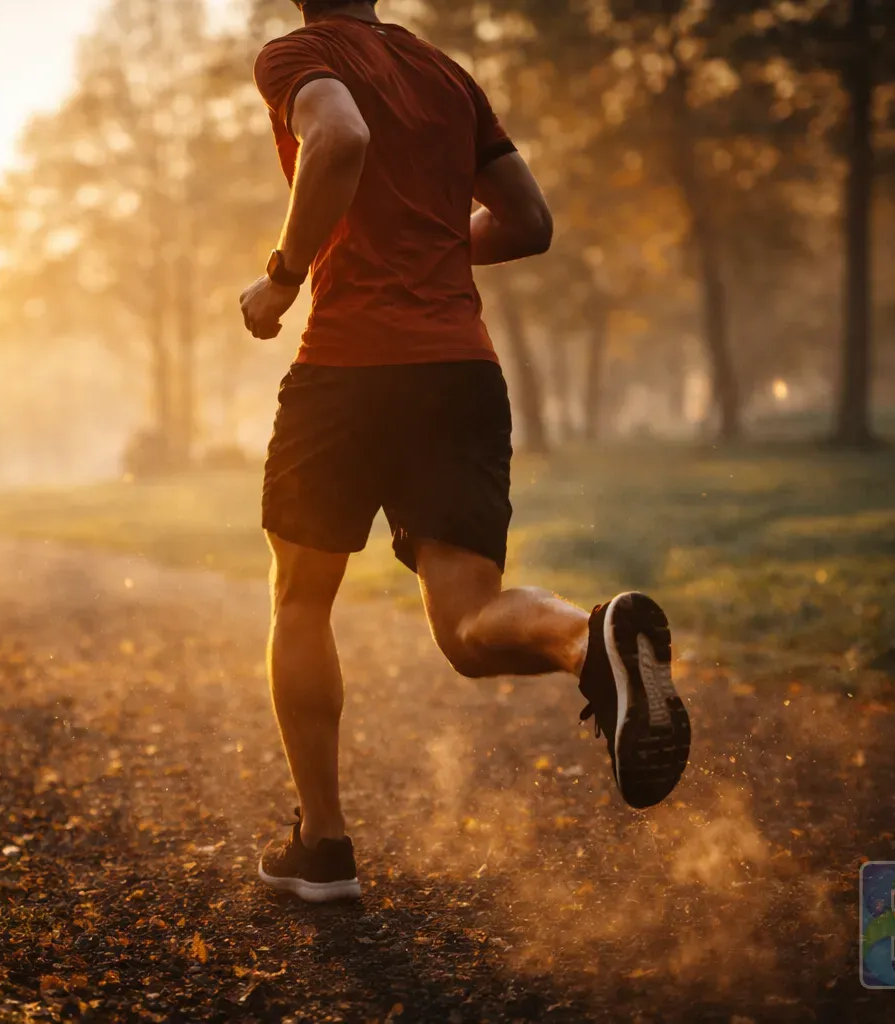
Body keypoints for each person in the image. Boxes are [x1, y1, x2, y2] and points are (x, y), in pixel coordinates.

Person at [240, 0, 692, 903]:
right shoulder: (446, 75)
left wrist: (284, 278)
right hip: (459, 369)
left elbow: (338, 140)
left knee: (302, 596)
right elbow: (528, 221)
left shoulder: (298, 55)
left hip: (348, 369)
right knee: (469, 625)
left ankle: (324, 848)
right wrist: (437, 253)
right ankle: (587, 639)